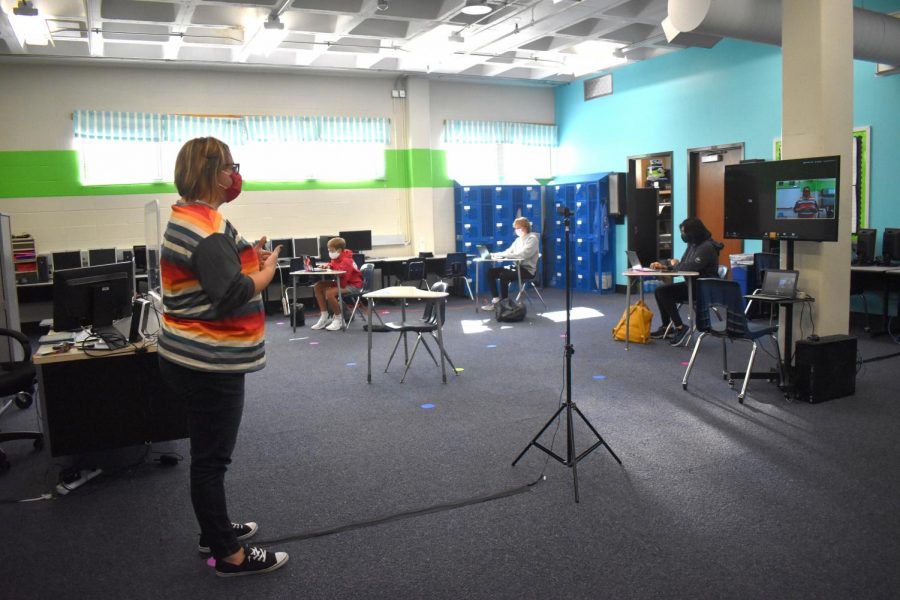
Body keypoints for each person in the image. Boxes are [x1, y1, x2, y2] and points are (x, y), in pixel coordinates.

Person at [157, 137, 289, 578]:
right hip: (207, 363)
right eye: (231, 166)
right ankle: (228, 555)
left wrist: (248, 255)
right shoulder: (206, 231)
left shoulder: (190, 217)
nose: (236, 175)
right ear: (214, 174)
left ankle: (212, 532)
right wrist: (266, 272)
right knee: (212, 461)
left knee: (207, 455)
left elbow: (218, 271)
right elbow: (230, 293)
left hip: (187, 356)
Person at [649, 217, 724, 346]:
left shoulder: (706, 247)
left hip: (704, 289)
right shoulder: (692, 244)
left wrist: (673, 266)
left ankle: (680, 327)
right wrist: (665, 266)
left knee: (664, 293)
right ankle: (667, 327)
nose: (682, 235)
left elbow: (689, 267)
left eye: (684, 232)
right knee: (659, 291)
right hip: (692, 285)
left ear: (693, 232)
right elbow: (683, 264)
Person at [481, 216, 540, 310]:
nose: (515, 230)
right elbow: (508, 251)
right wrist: (494, 255)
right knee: (490, 272)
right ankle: (496, 301)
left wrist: (506, 256)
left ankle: (504, 304)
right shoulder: (518, 240)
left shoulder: (532, 239)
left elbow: (523, 255)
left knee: (504, 275)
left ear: (524, 228)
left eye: (517, 228)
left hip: (527, 270)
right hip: (517, 267)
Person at [310, 237, 364, 331]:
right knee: (318, 286)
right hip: (343, 282)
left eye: (331, 250)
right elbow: (334, 265)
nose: (329, 252)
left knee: (329, 293)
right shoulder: (337, 257)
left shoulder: (347, 261)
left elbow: (342, 282)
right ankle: (324, 316)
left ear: (339, 250)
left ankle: (339, 319)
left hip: (354, 285)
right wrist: (328, 266)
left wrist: (331, 274)